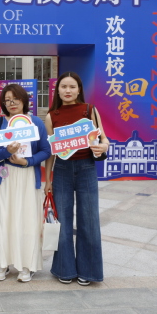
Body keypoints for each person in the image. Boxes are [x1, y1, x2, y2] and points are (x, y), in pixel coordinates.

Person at [44, 72, 108, 286]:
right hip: (62, 170)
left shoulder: (89, 110)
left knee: (89, 220)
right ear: (57, 90)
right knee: (62, 221)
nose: (68, 90)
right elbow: (51, 151)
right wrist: (48, 180)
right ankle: (65, 268)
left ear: (79, 89)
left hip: (86, 168)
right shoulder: (51, 116)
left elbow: (104, 139)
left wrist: (103, 147)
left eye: (72, 86)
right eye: (64, 86)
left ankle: (88, 271)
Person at [0, 84, 51, 282]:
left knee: (28, 220)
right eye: (7, 100)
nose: (11, 103)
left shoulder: (36, 122)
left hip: (28, 176)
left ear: (24, 100)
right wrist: (6, 151)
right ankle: (3, 263)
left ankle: (27, 265)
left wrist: (27, 161)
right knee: (3, 219)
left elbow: (46, 150)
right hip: (4, 177)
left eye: (15, 98)